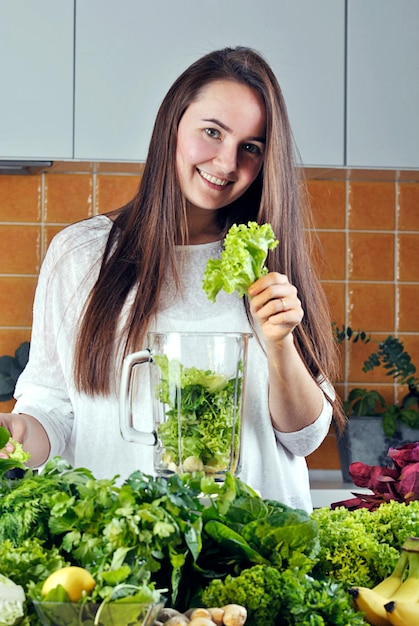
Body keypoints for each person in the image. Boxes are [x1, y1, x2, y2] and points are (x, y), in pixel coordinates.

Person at [0, 46, 345, 512]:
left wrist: (281, 344)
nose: (226, 163)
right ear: (172, 127)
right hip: (128, 548)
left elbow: (304, 437)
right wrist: (17, 433)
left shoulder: (264, 256)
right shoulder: (81, 254)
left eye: (251, 147)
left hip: (260, 544)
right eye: (211, 132)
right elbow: (52, 410)